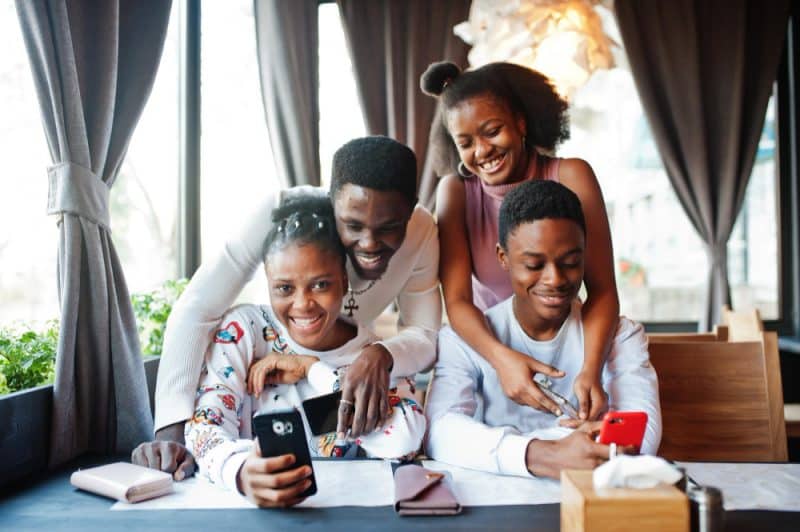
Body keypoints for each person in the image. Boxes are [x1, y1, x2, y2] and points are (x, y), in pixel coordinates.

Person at [132, 136, 440, 479]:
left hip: (343, 365)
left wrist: (362, 359)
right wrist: (172, 438)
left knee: (325, 433)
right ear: (332, 204)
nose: (368, 243)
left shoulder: (422, 231)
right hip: (267, 371)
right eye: (353, 225)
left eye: (389, 228)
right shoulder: (248, 327)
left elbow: (425, 333)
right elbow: (196, 308)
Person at [185, 194, 425, 507]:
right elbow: (205, 427)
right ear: (268, 282)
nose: (302, 305)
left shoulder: (371, 357)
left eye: (320, 284)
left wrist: (312, 370)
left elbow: (405, 439)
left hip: (344, 515)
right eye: (284, 288)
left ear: (343, 281)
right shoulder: (244, 331)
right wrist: (240, 471)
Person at [421, 61, 619, 422]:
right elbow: (458, 302)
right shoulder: (456, 192)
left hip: (566, 349)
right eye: (466, 143)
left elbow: (603, 290)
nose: (482, 150)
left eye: (492, 131)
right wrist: (501, 360)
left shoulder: (571, 175)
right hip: (488, 350)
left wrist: (590, 369)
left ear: (521, 123)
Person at [425, 180, 660, 479]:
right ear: (503, 258)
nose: (555, 279)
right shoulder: (463, 340)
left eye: (571, 263)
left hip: (588, 498)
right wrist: (545, 454)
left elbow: (643, 435)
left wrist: (501, 448)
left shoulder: (621, 337)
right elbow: (440, 431)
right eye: (534, 265)